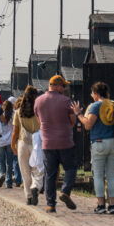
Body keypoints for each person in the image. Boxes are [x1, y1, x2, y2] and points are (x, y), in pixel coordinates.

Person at [33, 75, 79, 213]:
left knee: (50, 174)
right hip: (65, 141)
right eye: (63, 86)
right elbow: (72, 121)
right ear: (57, 86)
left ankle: (50, 204)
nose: (64, 89)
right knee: (70, 168)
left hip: (47, 142)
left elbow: (39, 120)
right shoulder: (66, 101)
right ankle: (65, 191)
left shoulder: (38, 101)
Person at [75, 81, 114, 214]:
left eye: (92, 93)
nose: (91, 95)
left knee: (99, 176)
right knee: (112, 175)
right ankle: (112, 206)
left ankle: (101, 205)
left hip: (99, 142)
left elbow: (88, 124)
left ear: (95, 93)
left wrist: (79, 115)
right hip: (113, 142)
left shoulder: (96, 106)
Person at [12, 86, 43, 205]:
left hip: (22, 143)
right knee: (38, 169)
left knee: (25, 172)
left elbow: (15, 131)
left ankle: (29, 196)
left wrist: (13, 144)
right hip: (37, 143)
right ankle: (35, 186)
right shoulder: (39, 111)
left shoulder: (19, 111)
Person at [0, 99, 16, 188]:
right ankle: (8, 182)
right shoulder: (14, 115)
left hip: (0, 141)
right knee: (9, 162)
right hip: (10, 141)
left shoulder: (0, 116)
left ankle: (0, 174)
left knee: (0, 160)